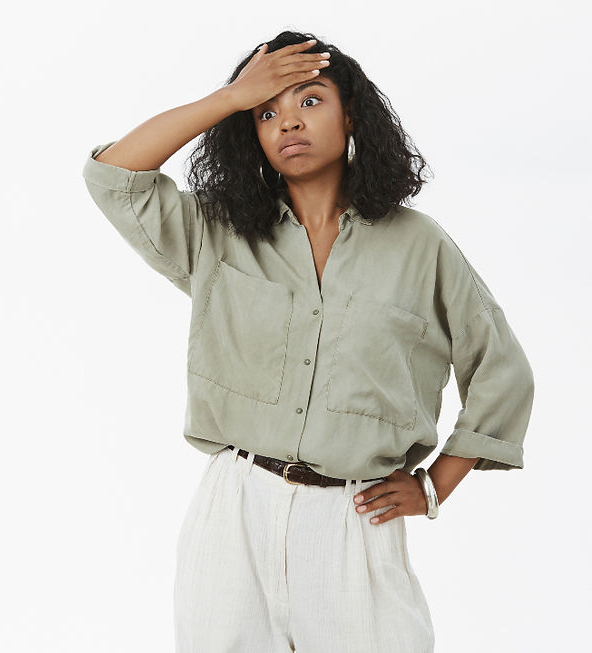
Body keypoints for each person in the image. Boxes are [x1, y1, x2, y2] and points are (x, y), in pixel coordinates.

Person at [81, 30, 535, 653]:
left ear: (351, 116)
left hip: (356, 520)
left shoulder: (419, 245)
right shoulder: (219, 233)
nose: (287, 122)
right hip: (235, 512)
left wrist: (436, 485)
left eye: (310, 100)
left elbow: (502, 368)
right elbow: (114, 176)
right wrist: (231, 96)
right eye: (267, 113)